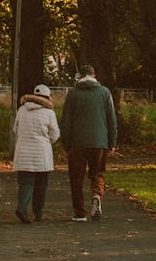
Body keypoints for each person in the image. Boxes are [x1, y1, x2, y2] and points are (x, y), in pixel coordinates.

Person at [60, 65, 117, 221]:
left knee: (76, 178)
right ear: (94, 75)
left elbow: (66, 121)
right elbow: (111, 120)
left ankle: (79, 213)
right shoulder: (105, 92)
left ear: (80, 76)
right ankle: (97, 195)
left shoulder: (73, 94)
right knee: (97, 173)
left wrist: (66, 144)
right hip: (99, 141)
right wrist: (111, 142)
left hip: (77, 143)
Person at [11, 84, 60, 224]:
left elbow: (16, 129)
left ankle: (22, 207)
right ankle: (38, 213)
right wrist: (46, 141)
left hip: (23, 151)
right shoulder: (49, 112)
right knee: (41, 185)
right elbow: (55, 134)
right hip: (42, 153)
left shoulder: (22, 110)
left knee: (25, 183)